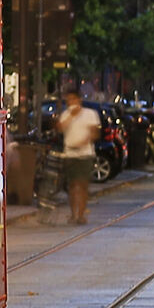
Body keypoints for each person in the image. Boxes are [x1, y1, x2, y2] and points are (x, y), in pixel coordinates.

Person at [55, 86, 100, 225]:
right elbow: (60, 128)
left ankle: (81, 214)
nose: (71, 102)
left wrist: (84, 141)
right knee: (72, 185)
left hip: (85, 154)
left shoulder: (90, 114)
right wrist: (71, 116)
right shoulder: (65, 114)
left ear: (79, 100)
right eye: (68, 100)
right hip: (70, 154)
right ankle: (73, 214)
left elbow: (95, 133)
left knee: (83, 185)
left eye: (73, 99)